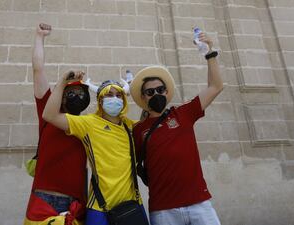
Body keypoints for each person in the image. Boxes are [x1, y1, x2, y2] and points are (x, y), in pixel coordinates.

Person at [130, 32, 223, 225]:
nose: (156, 94)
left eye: (160, 90)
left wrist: (210, 53)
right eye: (150, 92)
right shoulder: (138, 130)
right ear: (144, 97)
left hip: (199, 204)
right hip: (163, 210)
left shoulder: (184, 113)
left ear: (166, 92)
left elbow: (215, 86)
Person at [42, 73, 149, 225]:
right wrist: (62, 82)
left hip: (132, 205)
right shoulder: (88, 123)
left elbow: (151, 121)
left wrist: (138, 91)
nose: (115, 99)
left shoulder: (130, 126)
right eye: (109, 95)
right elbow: (49, 115)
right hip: (99, 207)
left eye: (119, 95)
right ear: (100, 100)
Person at [24, 23, 90, 225]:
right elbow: (38, 69)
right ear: (61, 96)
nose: (75, 96)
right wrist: (39, 37)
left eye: (80, 93)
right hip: (44, 201)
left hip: (76, 205)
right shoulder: (48, 109)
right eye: (70, 93)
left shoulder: (88, 124)